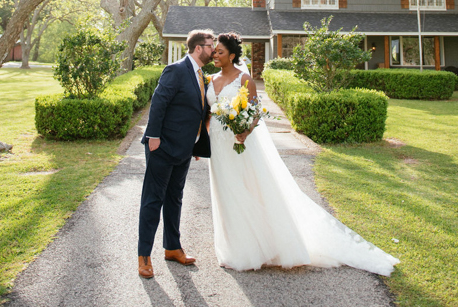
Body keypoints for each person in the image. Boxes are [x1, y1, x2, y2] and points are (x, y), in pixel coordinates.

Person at [207, 31, 399, 275]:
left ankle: (252, 249)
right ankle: (232, 245)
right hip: (218, 146)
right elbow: (207, 113)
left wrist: (244, 131)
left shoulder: (245, 80)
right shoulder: (209, 80)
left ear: (232, 55)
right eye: (214, 51)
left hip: (240, 143)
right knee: (225, 192)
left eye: (219, 51)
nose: (214, 54)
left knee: (246, 190)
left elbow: (255, 113)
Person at [137, 29, 215, 279]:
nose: (213, 50)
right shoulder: (176, 69)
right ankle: (144, 257)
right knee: (152, 201)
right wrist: (154, 137)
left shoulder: (200, 74)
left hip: (183, 150)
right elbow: (159, 102)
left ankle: (172, 247)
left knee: (175, 199)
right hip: (162, 147)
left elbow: (197, 111)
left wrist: (195, 145)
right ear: (198, 48)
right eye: (210, 45)